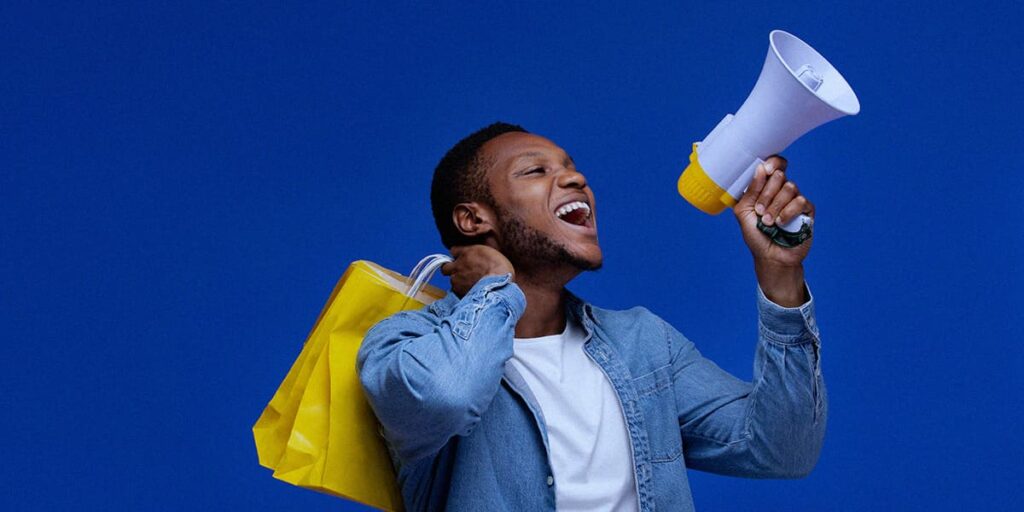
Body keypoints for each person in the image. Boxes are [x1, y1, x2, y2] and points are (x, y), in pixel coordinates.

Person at [357, 122, 825, 511]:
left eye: (573, 168)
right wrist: (493, 290)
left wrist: (780, 274)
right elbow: (445, 398)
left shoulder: (643, 344)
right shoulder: (404, 343)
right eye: (536, 171)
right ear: (473, 221)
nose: (576, 180)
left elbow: (782, 449)